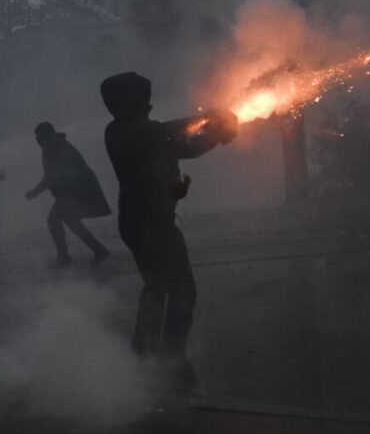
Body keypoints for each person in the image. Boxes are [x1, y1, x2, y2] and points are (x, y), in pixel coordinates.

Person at [100, 72, 237, 389]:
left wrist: (210, 119)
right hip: (154, 223)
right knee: (182, 290)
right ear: (134, 103)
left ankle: (143, 353)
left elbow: (170, 131)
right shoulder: (146, 133)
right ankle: (171, 359)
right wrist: (217, 128)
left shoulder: (116, 130)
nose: (150, 104)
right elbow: (185, 144)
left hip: (136, 221)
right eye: (143, 98)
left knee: (156, 287)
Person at [25, 121, 111, 268]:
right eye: (37, 139)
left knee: (54, 219)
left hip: (80, 190)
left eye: (41, 138)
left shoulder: (60, 149)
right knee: (70, 219)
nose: (39, 142)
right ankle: (98, 250)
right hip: (72, 190)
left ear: (49, 136)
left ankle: (63, 257)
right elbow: (50, 176)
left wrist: (35, 192)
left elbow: (53, 177)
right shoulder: (50, 148)